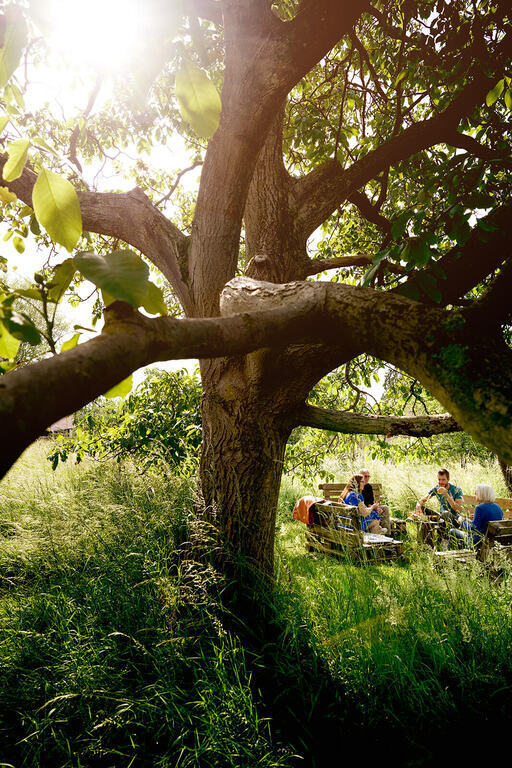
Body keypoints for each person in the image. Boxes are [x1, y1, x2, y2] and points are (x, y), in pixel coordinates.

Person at [359, 468, 391, 532]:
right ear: (360, 477)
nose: (367, 478)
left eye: (368, 476)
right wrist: (372, 507)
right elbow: (361, 504)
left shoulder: (368, 487)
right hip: (362, 509)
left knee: (385, 508)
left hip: (369, 507)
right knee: (375, 512)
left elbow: (370, 501)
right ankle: (378, 530)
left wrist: (376, 507)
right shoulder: (357, 488)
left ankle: (387, 533)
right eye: (365, 476)